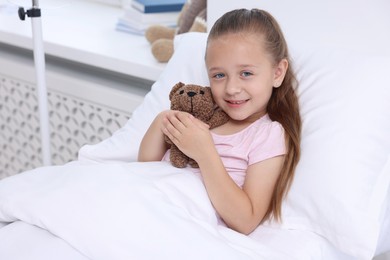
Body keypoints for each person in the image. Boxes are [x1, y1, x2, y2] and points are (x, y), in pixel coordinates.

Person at [138, 8, 301, 235]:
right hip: (147, 199)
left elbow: (245, 220)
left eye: (246, 73)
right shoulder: (199, 114)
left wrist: (205, 153)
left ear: (277, 73)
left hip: (178, 221)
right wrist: (162, 122)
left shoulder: (267, 134)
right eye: (219, 75)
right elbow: (145, 169)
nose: (232, 89)